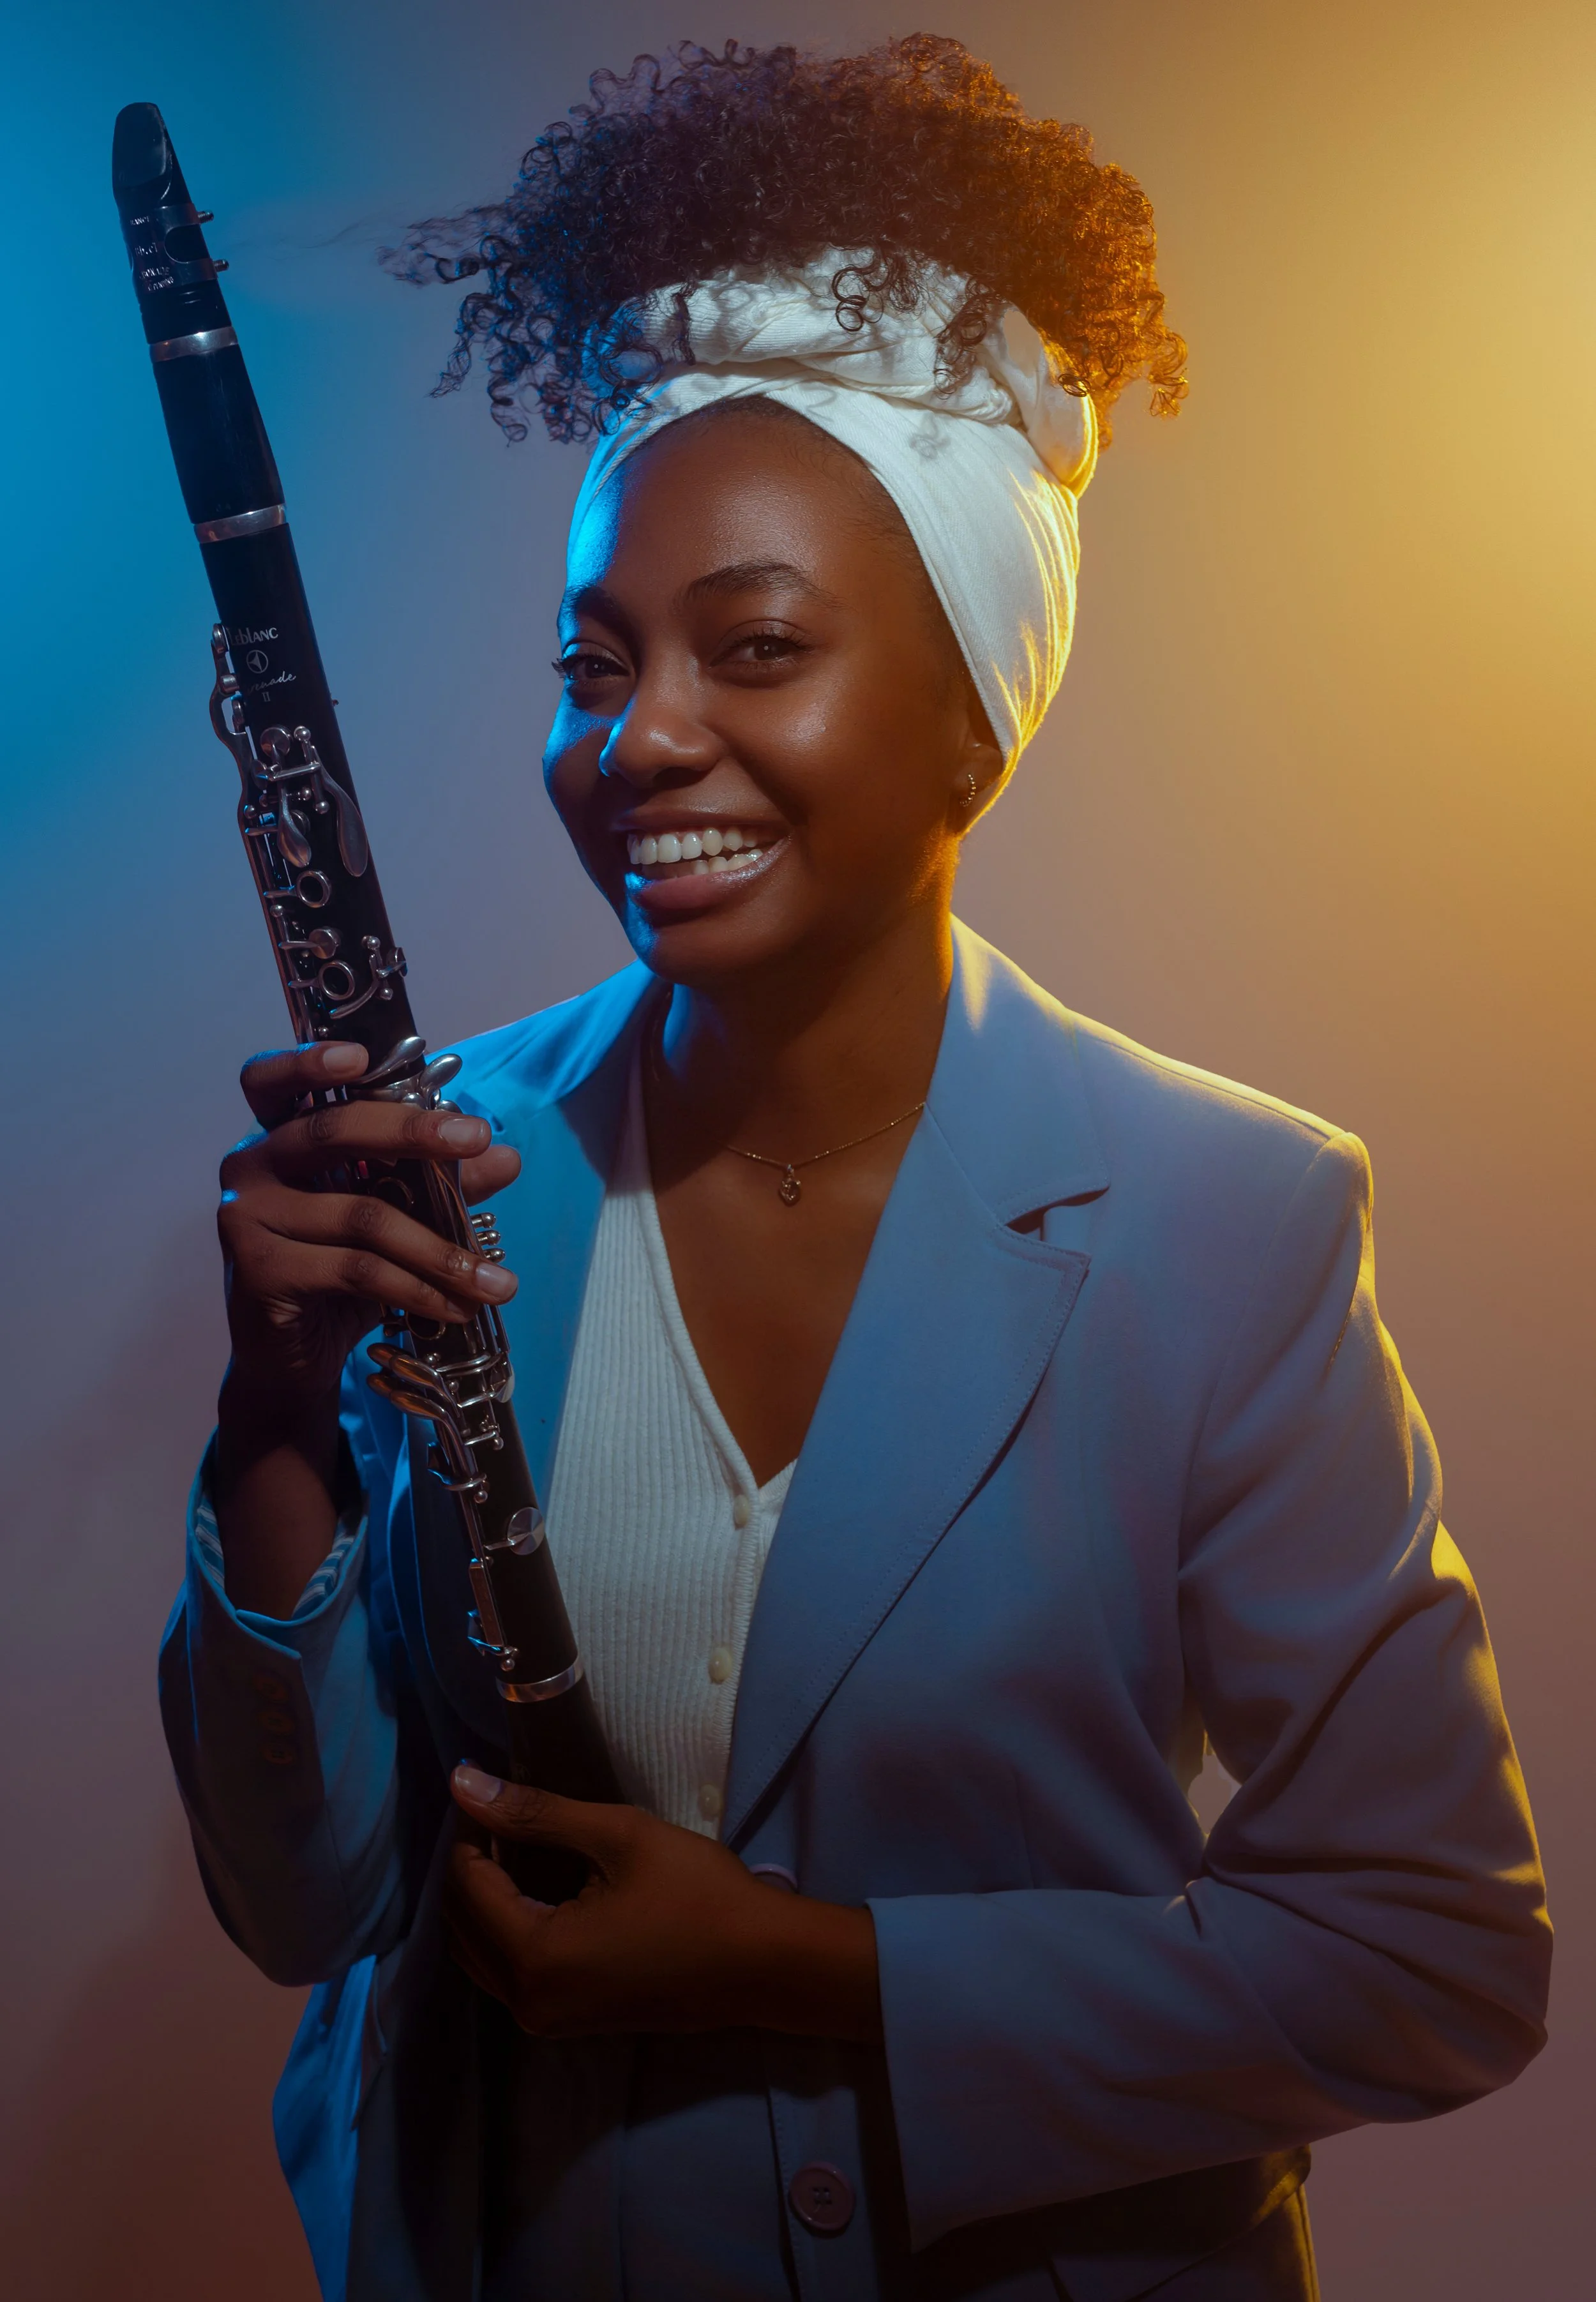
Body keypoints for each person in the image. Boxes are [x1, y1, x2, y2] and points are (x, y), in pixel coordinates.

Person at [160, 36, 1550, 2302]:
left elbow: (1432, 1955)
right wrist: (275, 1428)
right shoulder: (447, 1152)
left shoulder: (1233, 1220)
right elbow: (299, 1904)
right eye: (591, 660)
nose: (642, 740)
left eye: (762, 647)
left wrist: (823, 1969)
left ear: (970, 704)